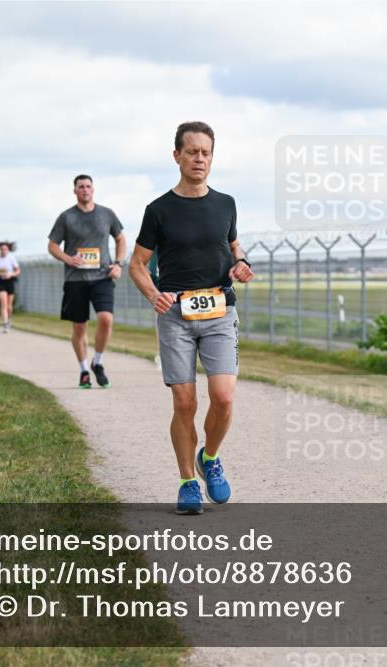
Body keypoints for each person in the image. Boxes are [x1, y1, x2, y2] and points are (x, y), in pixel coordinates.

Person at [130, 121, 254, 515]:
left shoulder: (226, 203)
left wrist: (242, 263)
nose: (199, 158)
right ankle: (187, 482)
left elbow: (234, 246)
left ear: (212, 157)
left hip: (220, 309)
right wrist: (155, 294)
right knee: (184, 403)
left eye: (206, 152)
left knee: (224, 396)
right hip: (177, 314)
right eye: (192, 151)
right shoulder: (159, 210)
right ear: (177, 156)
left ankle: (210, 458)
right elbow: (136, 264)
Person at [47, 174, 127, 388]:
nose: (84, 190)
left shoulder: (106, 214)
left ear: (93, 189)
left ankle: (98, 362)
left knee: (106, 319)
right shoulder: (66, 217)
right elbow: (52, 245)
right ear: (74, 191)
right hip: (76, 280)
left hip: (102, 277)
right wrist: (68, 259)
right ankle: (84, 369)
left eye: (88, 186)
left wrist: (118, 263)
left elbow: (120, 239)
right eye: (80, 187)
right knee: (79, 328)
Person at [0, 240, 21, 332]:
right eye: (2, 249)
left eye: (5, 249)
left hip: (10, 281)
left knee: (9, 306)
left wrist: (11, 274)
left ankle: (9, 319)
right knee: (3, 304)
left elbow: (18, 271)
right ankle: (5, 323)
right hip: (0, 281)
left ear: (8, 250)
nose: (4, 251)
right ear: (0, 249)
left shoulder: (11, 258)